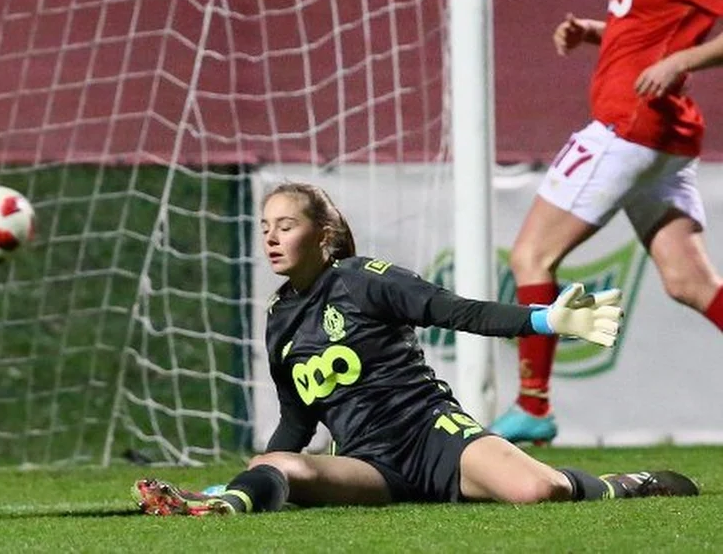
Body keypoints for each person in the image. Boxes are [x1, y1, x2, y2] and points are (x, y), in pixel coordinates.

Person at [132, 183, 697, 516]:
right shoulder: (279, 322)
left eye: (285, 225)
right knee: (274, 463)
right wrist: (245, 478)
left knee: (537, 489)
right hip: (368, 465)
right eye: (264, 228)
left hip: (431, 435)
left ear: (322, 234)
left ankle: (628, 484)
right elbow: (297, 420)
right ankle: (220, 509)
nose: (271, 238)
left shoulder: (365, 279)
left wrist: (547, 318)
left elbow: (457, 312)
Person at [491, 0, 723, 445]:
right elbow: (651, 30)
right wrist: (599, 33)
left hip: (629, 127)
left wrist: (682, 63)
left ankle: (533, 406)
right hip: (662, 139)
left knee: (531, 257)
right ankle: (533, 407)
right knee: (690, 284)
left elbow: (681, 47)